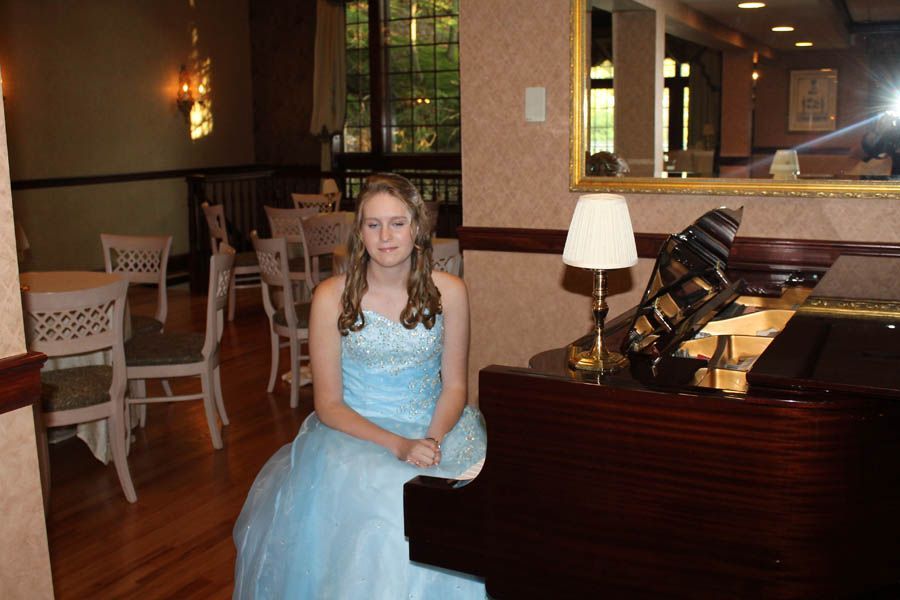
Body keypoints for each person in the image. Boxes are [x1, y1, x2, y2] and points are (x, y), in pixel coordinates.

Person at [233, 173, 487, 599]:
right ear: (360, 232)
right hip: (355, 435)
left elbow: (455, 387)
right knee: (391, 505)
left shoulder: (451, 292)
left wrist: (431, 440)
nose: (385, 236)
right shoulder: (331, 297)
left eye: (397, 223)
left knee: (466, 509)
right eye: (373, 224)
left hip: (438, 426)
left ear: (418, 228)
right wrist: (398, 446)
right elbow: (328, 404)